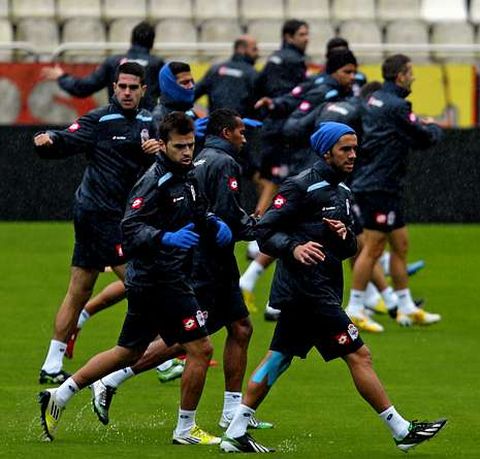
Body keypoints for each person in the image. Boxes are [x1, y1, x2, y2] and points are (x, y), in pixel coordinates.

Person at [219, 122, 447, 453]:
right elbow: (264, 231)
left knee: (279, 358)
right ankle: (401, 431)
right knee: (360, 354)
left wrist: (343, 238)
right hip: (307, 292)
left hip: (319, 289)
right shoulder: (298, 186)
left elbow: (348, 251)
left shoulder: (343, 192)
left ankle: (236, 432)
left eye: (355, 148)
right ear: (326, 152)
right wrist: (294, 247)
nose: (353, 155)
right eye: (345, 149)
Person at [38, 112, 231, 445]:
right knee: (200, 349)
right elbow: (130, 228)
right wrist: (164, 239)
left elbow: (196, 209)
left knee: (128, 351)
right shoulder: (152, 181)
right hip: (159, 279)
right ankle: (185, 430)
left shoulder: (189, 174)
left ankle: (60, 394)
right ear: (164, 146)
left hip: (159, 278)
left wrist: (213, 222)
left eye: (190, 145)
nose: (187, 152)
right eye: (179, 147)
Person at [88, 109, 272, 431]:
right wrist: (263, 227)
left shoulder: (200, 159)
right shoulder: (223, 162)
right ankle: (111, 380)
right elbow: (228, 215)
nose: (245, 137)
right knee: (186, 340)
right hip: (205, 264)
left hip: (213, 260)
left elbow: (207, 211)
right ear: (227, 132)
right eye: (241, 130)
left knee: (241, 328)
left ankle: (232, 410)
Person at [64, 61, 200, 381]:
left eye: (192, 80)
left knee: (127, 292)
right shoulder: (155, 119)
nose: (190, 85)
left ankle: (66, 371)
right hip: (121, 220)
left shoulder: (156, 117)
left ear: (143, 89)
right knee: (141, 291)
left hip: (137, 222)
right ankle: (154, 366)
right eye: (183, 81)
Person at [34, 62, 159, 385]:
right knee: (140, 281)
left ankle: (51, 364)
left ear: (144, 90)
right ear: (114, 88)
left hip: (121, 214)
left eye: (133, 87)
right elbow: (65, 139)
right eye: (122, 87)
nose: (127, 92)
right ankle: (162, 356)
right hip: (98, 214)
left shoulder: (148, 122)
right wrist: (47, 140)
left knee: (80, 289)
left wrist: (154, 152)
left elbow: (158, 162)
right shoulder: (100, 119)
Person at [240, 48, 359, 316]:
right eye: (347, 72)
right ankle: (369, 299)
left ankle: (266, 293)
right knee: (302, 235)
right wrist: (321, 120)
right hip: (312, 170)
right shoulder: (324, 93)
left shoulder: (338, 93)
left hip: (322, 171)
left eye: (354, 71)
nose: (352, 77)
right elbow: (293, 125)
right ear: (333, 70)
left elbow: (289, 100)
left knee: (323, 236)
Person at [346, 54, 443, 327]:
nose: (413, 77)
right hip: (380, 184)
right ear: (400, 75)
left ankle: (406, 306)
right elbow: (422, 138)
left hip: (378, 182)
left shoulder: (374, 100)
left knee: (400, 244)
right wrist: (433, 128)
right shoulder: (397, 105)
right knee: (374, 248)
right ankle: (354, 307)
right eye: (410, 72)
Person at [42, 21, 164, 111]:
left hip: (116, 122)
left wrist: (62, 77)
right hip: (147, 126)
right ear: (152, 43)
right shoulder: (158, 65)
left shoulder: (112, 62)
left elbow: (83, 87)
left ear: (131, 40)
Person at [194, 35, 259, 118]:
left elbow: (192, 94)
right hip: (241, 127)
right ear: (241, 49)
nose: (257, 54)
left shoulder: (215, 70)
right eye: (254, 49)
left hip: (215, 126)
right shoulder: (253, 74)